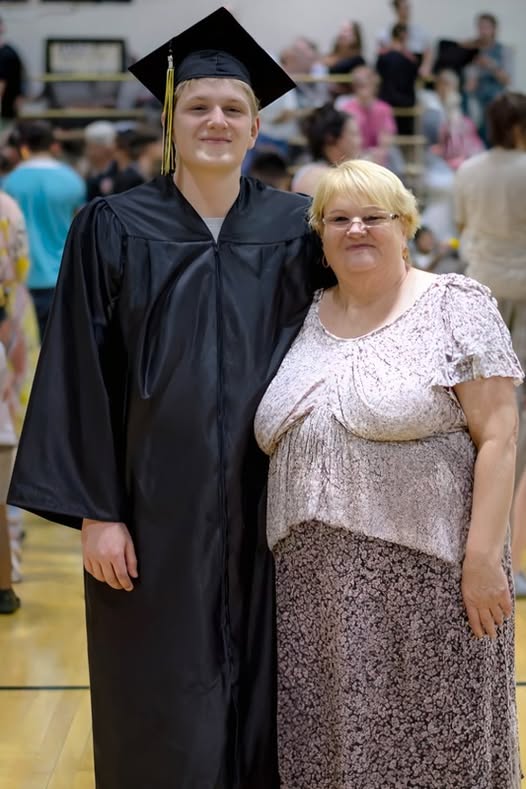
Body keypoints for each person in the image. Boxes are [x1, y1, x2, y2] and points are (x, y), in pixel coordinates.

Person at [7, 8, 327, 789]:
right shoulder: (111, 225)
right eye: (198, 106)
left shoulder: (298, 229)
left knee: (274, 696)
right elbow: (79, 370)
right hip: (151, 511)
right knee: (159, 693)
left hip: (275, 508)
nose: (216, 120)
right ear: (170, 121)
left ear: (255, 126)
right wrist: (97, 510)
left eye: (233, 108)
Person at [254, 159, 523, 788]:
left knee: (433, 752)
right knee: (332, 755)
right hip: (312, 596)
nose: (356, 229)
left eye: (374, 216)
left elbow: (500, 436)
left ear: (405, 225)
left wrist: (484, 559)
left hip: (430, 585)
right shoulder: (300, 315)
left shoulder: (454, 302)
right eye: (338, 219)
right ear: (320, 235)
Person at [3, 121, 86, 341]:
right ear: (53, 144)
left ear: (22, 147)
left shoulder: (9, 183)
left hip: (22, 282)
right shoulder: (73, 180)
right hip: (63, 277)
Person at [291, 103, 362, 195]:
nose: (360, 141)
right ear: (331, 138)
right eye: (353, 134)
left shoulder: (345, 174)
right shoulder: (314, 176)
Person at [463, 13, 512, 144]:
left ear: (494, 29)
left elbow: (507, 80)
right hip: (474, 94)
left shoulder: (503, 51)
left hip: (494, 93)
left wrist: (490, 65)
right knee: (465, 102)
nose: (482, 31)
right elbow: (468, 80)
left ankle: (488, 145)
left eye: (486, 27)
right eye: (480, 27)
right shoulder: (472, 51)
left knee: (492, 106)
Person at [0, 16, 25, 122]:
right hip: (9, 110)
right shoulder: (10, 51)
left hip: (5, 111)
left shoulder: (6, 54)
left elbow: (1, 84)